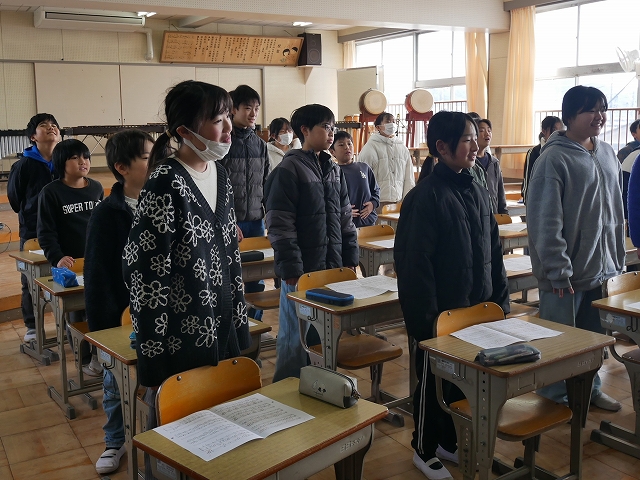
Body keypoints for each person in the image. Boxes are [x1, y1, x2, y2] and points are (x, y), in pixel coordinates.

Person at [395, 111, 509, 480]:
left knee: (462, 381)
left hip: (475, 309)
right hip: (440, 315)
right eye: (467, 139)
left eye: (476, 137)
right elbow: (414, 268)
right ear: (442, 147)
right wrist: (426, 325)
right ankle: (424, 448)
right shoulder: (424, 197)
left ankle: (447, 441)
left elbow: (493, 253)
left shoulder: (476, 189)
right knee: (432, 384)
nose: (476, 146)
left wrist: (500, 304)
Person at [122, 80, 251, 391]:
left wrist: (239, 322)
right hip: (183, 336)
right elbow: (146, 273)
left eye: (228, 117)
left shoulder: (220, 174)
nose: (228, 128)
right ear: (184, 131)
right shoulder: (165, 182)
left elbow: (230, 257)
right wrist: (153, 353)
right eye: (218, 120)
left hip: (221, 325)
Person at [527, 85, 624, 412]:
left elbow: (615, 211)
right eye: (590, 110)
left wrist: (617, 260)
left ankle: (589, 390)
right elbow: (545, 220)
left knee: (593, 340)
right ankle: (555, 399)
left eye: (602, 109)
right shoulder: (553, 158)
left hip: (602, 269)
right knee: (560, 341)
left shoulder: (607, 152)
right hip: (566, 275)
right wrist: (557, 270)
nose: (599, 116)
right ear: (569, 115)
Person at [264, 104, 358, 382]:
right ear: (305, 130)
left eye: (332, 128)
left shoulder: (333, 169)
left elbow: (345, 219)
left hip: (330, 266)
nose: (331, 133)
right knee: (296, 336)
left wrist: (350, 258)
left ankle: (320, 387)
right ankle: (287, 389)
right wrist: (292, 268)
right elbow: (279, 225)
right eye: (325, 127)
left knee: (323, 334)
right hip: (301, 269)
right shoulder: (289, 169)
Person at [84, 129, 154, 475]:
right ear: (122, 167)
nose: (156, 163)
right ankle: (114, 441)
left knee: (160, 384)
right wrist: (102, 335)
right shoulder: (107, 213)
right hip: (122, 316)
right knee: (115, 385)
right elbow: (97, 275)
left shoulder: (165, 202)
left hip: (161, 313)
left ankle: (159, 439)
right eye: (147, 157)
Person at [37, 139, 104, 376]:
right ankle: (84, 359)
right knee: (76, 313)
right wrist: (57, 257)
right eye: (75, 158)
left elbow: (101, 226)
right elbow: (46, 232)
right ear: (61, 163)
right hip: (70, 265)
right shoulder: (51, 193)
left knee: (98, 310)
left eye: (86, 157)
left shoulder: (96, 187)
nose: (82, 162)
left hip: (95, 261)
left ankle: (100, 356)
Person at [7, 113, 62, 342]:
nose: (51, 127)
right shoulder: (23, 165)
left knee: (63, 277)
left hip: (62, 231)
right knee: (30, 281)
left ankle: (66, 323)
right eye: (43, 125)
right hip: (33, 232)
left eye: (54, 124)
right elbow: (15, 199)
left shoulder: (65, 163)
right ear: (33, 136)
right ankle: (32, 326)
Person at [221, 84, 270, 320]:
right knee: (229, 277)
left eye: (256, 108)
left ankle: (255, 326)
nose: (253, 113)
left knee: (256, 279)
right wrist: (228, 220)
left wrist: (269, 216)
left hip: (256, 221)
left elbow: (266, 182)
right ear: (233, 109)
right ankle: (233, 328)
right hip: (232, 222)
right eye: (248, 108)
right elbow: (217, 187)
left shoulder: (260, 144)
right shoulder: (224, 143)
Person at [358, 111, 414, 212]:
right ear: (378, 127)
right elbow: (363, 177)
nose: (392, 124)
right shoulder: (370, 148)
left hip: (399, 201)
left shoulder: (402, 148)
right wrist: (369, 201)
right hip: (377, 203)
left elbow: (409, 177)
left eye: (394, 121)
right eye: (388, 121)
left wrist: (408, 200)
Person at [330, 131, 380, 228]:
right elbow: (329, 199)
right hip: (345, 224)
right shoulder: (332, 172)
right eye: (341, 145)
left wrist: (373, 204)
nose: (347, 147)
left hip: (368, 222)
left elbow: (376, 190)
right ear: (332, 152)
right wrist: (343, 211)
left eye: (349, 143)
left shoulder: (364, 168)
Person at [521, 116, 563, 204]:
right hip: (539, 201)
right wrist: (528, 201)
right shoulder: (534, 152)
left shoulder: (563, 152)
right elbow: (528, 179)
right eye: (554, 130)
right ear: (544, 131)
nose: (558, 133)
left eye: (560, 130)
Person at [474, 119, 508, 214]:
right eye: (482, 130)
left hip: (494, 216)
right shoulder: (469, 163)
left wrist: (504, 215)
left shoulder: (494, 162)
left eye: (489, 130)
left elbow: (500, 194)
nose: (487, 133)